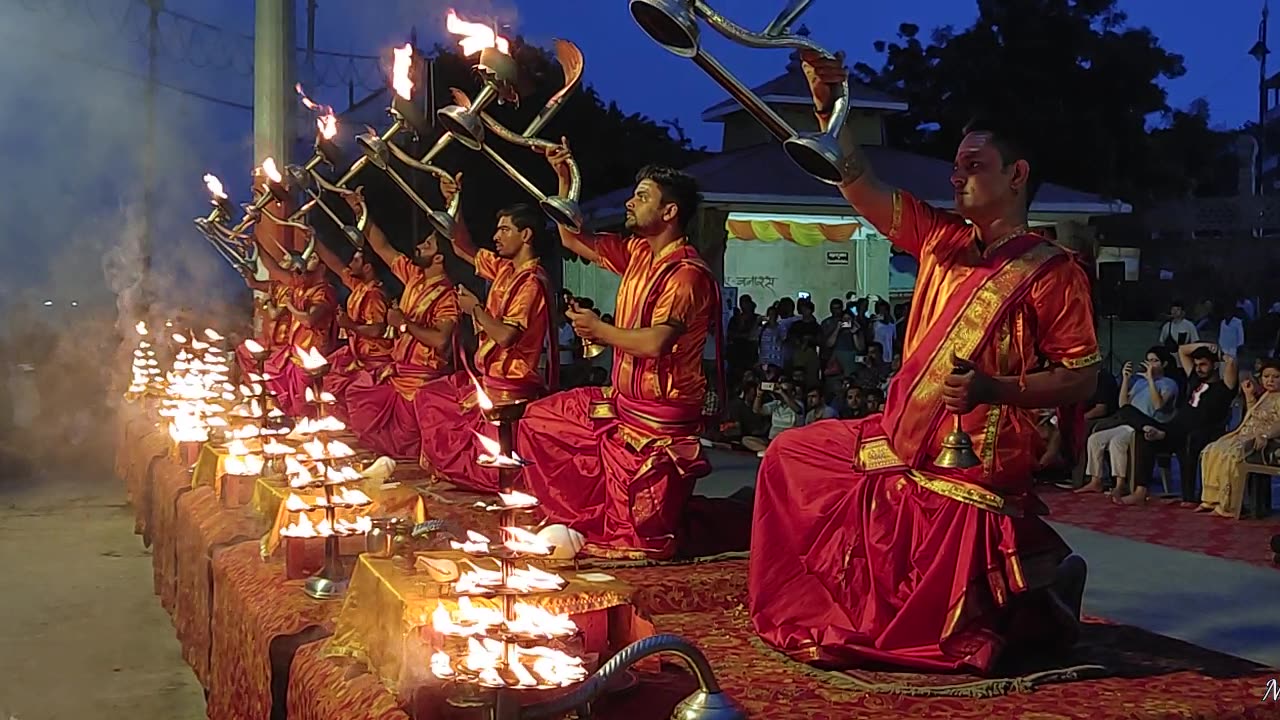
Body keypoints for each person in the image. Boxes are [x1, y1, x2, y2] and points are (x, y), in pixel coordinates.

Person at [748, 51, 1099, 675]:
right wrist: (834, 109)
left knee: (937, 634)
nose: (956, 178)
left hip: (980, 451)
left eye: (973, 166)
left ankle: (1035, 600)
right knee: (788, 456)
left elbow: (1082, 376)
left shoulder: (1052, 271)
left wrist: (995, 387)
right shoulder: (942, 239)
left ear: (1016, 175)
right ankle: (1040, 591)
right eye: (955, 167)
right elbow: (858, 182)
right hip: (904, 433)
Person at [516, 146, 721, 560]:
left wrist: (599, 330)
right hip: (622, 402)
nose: (630, 201)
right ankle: (581, 514)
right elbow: (571, 236)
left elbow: (656, 342)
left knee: (640, 538)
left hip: (658, 417)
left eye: (642, 196)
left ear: (670, 212)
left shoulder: (686, 275)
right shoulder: (638, 253)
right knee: (540, 420)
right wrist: (563, 178)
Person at [416, 174, 557, 491]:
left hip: (510, 383)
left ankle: (483, 477)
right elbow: (463, 246)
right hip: (487, 376)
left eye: (505, 230)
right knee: (430, 397)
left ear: (526, 235)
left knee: (441, 409)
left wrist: (475, 309)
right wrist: (453, 203)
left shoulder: (532, 281)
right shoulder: (505, 268)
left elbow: (507, 336)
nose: (496, 236)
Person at [340, 189, 459, 459]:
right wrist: (362, 213)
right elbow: (383, 247)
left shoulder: (447, 296)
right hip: (396, 374)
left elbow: (440, 340)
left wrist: (404, 324)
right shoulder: (415, 276)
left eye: (428, 244)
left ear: (439, 258)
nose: (420, 246)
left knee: (404, 448)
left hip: (419, 383)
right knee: (359, 396)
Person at [247, 222, 338, 418]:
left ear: (322, 268)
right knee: (293, 397)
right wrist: (257, 244)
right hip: (295, 352)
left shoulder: (324, 291)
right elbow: (272, 267)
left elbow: (309, 321)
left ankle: (311, 432)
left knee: (308, 401)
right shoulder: (300, 285)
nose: (304, 264)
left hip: (312, 354)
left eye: (312, 257)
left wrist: (288, 306)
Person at [312, 238, 391, 418]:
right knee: (326, 371)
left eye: (355, 261)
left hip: (374, 360)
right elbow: (337, 266)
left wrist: (349, 325)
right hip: (357, 354)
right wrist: (315, 242)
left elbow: (377, 330)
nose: (350, 264)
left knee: (337, 383)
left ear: (367, 268)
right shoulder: (359, 287)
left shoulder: (374, 295)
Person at [1195, 359, 1280, 517]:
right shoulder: (1266, 395)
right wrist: (1249, 395)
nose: (1270, 380)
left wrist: (1265, 435)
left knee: (1232, 454)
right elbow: (1254, 415)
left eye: (1275, 377)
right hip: (1245, 434)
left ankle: (1229, 505)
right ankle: (1212, 500)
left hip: (1265, 440)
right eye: (1266, 376)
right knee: (1213, 450)